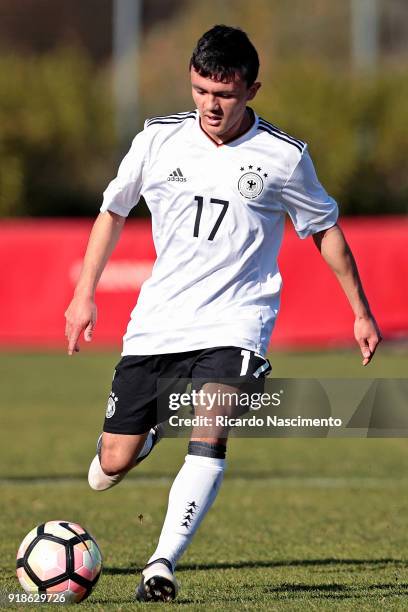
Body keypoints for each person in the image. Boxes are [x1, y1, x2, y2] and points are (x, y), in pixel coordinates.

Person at [64, 25, 381, 602]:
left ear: (251, 89)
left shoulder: (284, 157)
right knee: (110, 463)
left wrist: (359, 310)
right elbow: (113, 210)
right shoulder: (158, 139)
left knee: (210, 429)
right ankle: (153, 427)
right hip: (158, 321)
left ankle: (161, 563)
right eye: (200, 90)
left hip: (239, 318)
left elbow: (325, 230)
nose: (211, 105)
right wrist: (85, 293)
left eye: (225, 94)